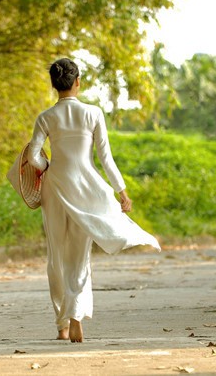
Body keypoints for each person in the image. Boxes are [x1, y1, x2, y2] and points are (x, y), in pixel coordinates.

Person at [27, 58, 161, 343]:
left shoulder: (46, 117)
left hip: (56, 188)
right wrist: (121, 190)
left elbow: (32, 156)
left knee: (56, 256)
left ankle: (62, 325)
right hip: (86, 189)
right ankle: (76, 314)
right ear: (78, 82)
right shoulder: (93, 113)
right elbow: (105, 158)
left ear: (54, 85)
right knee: (79, 255)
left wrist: (46, 167)